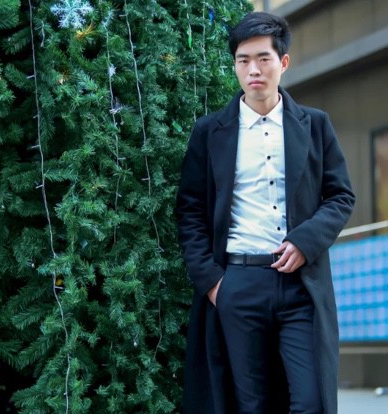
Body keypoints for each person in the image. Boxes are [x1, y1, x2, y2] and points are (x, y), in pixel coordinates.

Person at [176, 11, 355, 414]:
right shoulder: (210, 132)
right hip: (237, 283)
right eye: (243, 60)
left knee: (311, 401)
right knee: (250, 405)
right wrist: (213, 283)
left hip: (300, 285)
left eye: (263, 59)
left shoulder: (315, 125)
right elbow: (189, 211)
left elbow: (340, 196)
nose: (253, 70)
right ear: (235, 65)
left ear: (283, 62)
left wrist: (306, 241)